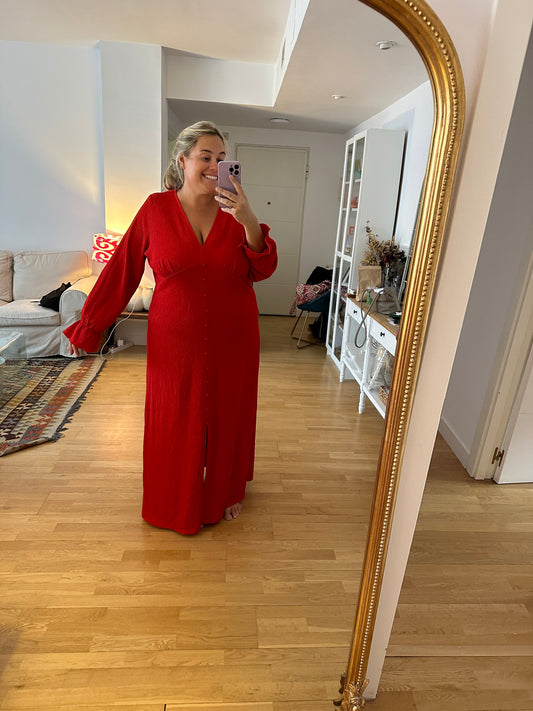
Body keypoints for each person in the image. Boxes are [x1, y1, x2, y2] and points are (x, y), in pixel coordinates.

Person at [64, 121, 278, 535]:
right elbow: (122, 269)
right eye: (205, 156)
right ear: (182, 160)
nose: (215, 165)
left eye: (222, 158)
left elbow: (264, 267)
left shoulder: (237, 213)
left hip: (234, 335)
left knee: (227, 413)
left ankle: (226, 489)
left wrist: (249, 219)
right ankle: (173, 497)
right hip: (173, 340)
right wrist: (89, 326)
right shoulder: (155, 209)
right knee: (174, 415)